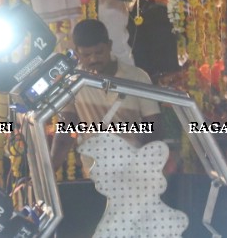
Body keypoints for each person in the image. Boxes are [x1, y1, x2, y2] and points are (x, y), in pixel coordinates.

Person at [50, 19, 162, 173]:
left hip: (134, 174)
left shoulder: (137, 78)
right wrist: (49, 170)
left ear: (109, 46)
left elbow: (154, 129)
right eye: (87, 54)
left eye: (99, 52)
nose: (93, 59)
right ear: (76, 52)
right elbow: (65, 132)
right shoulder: (73, 83)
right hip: (94, 174)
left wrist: (147, 168)